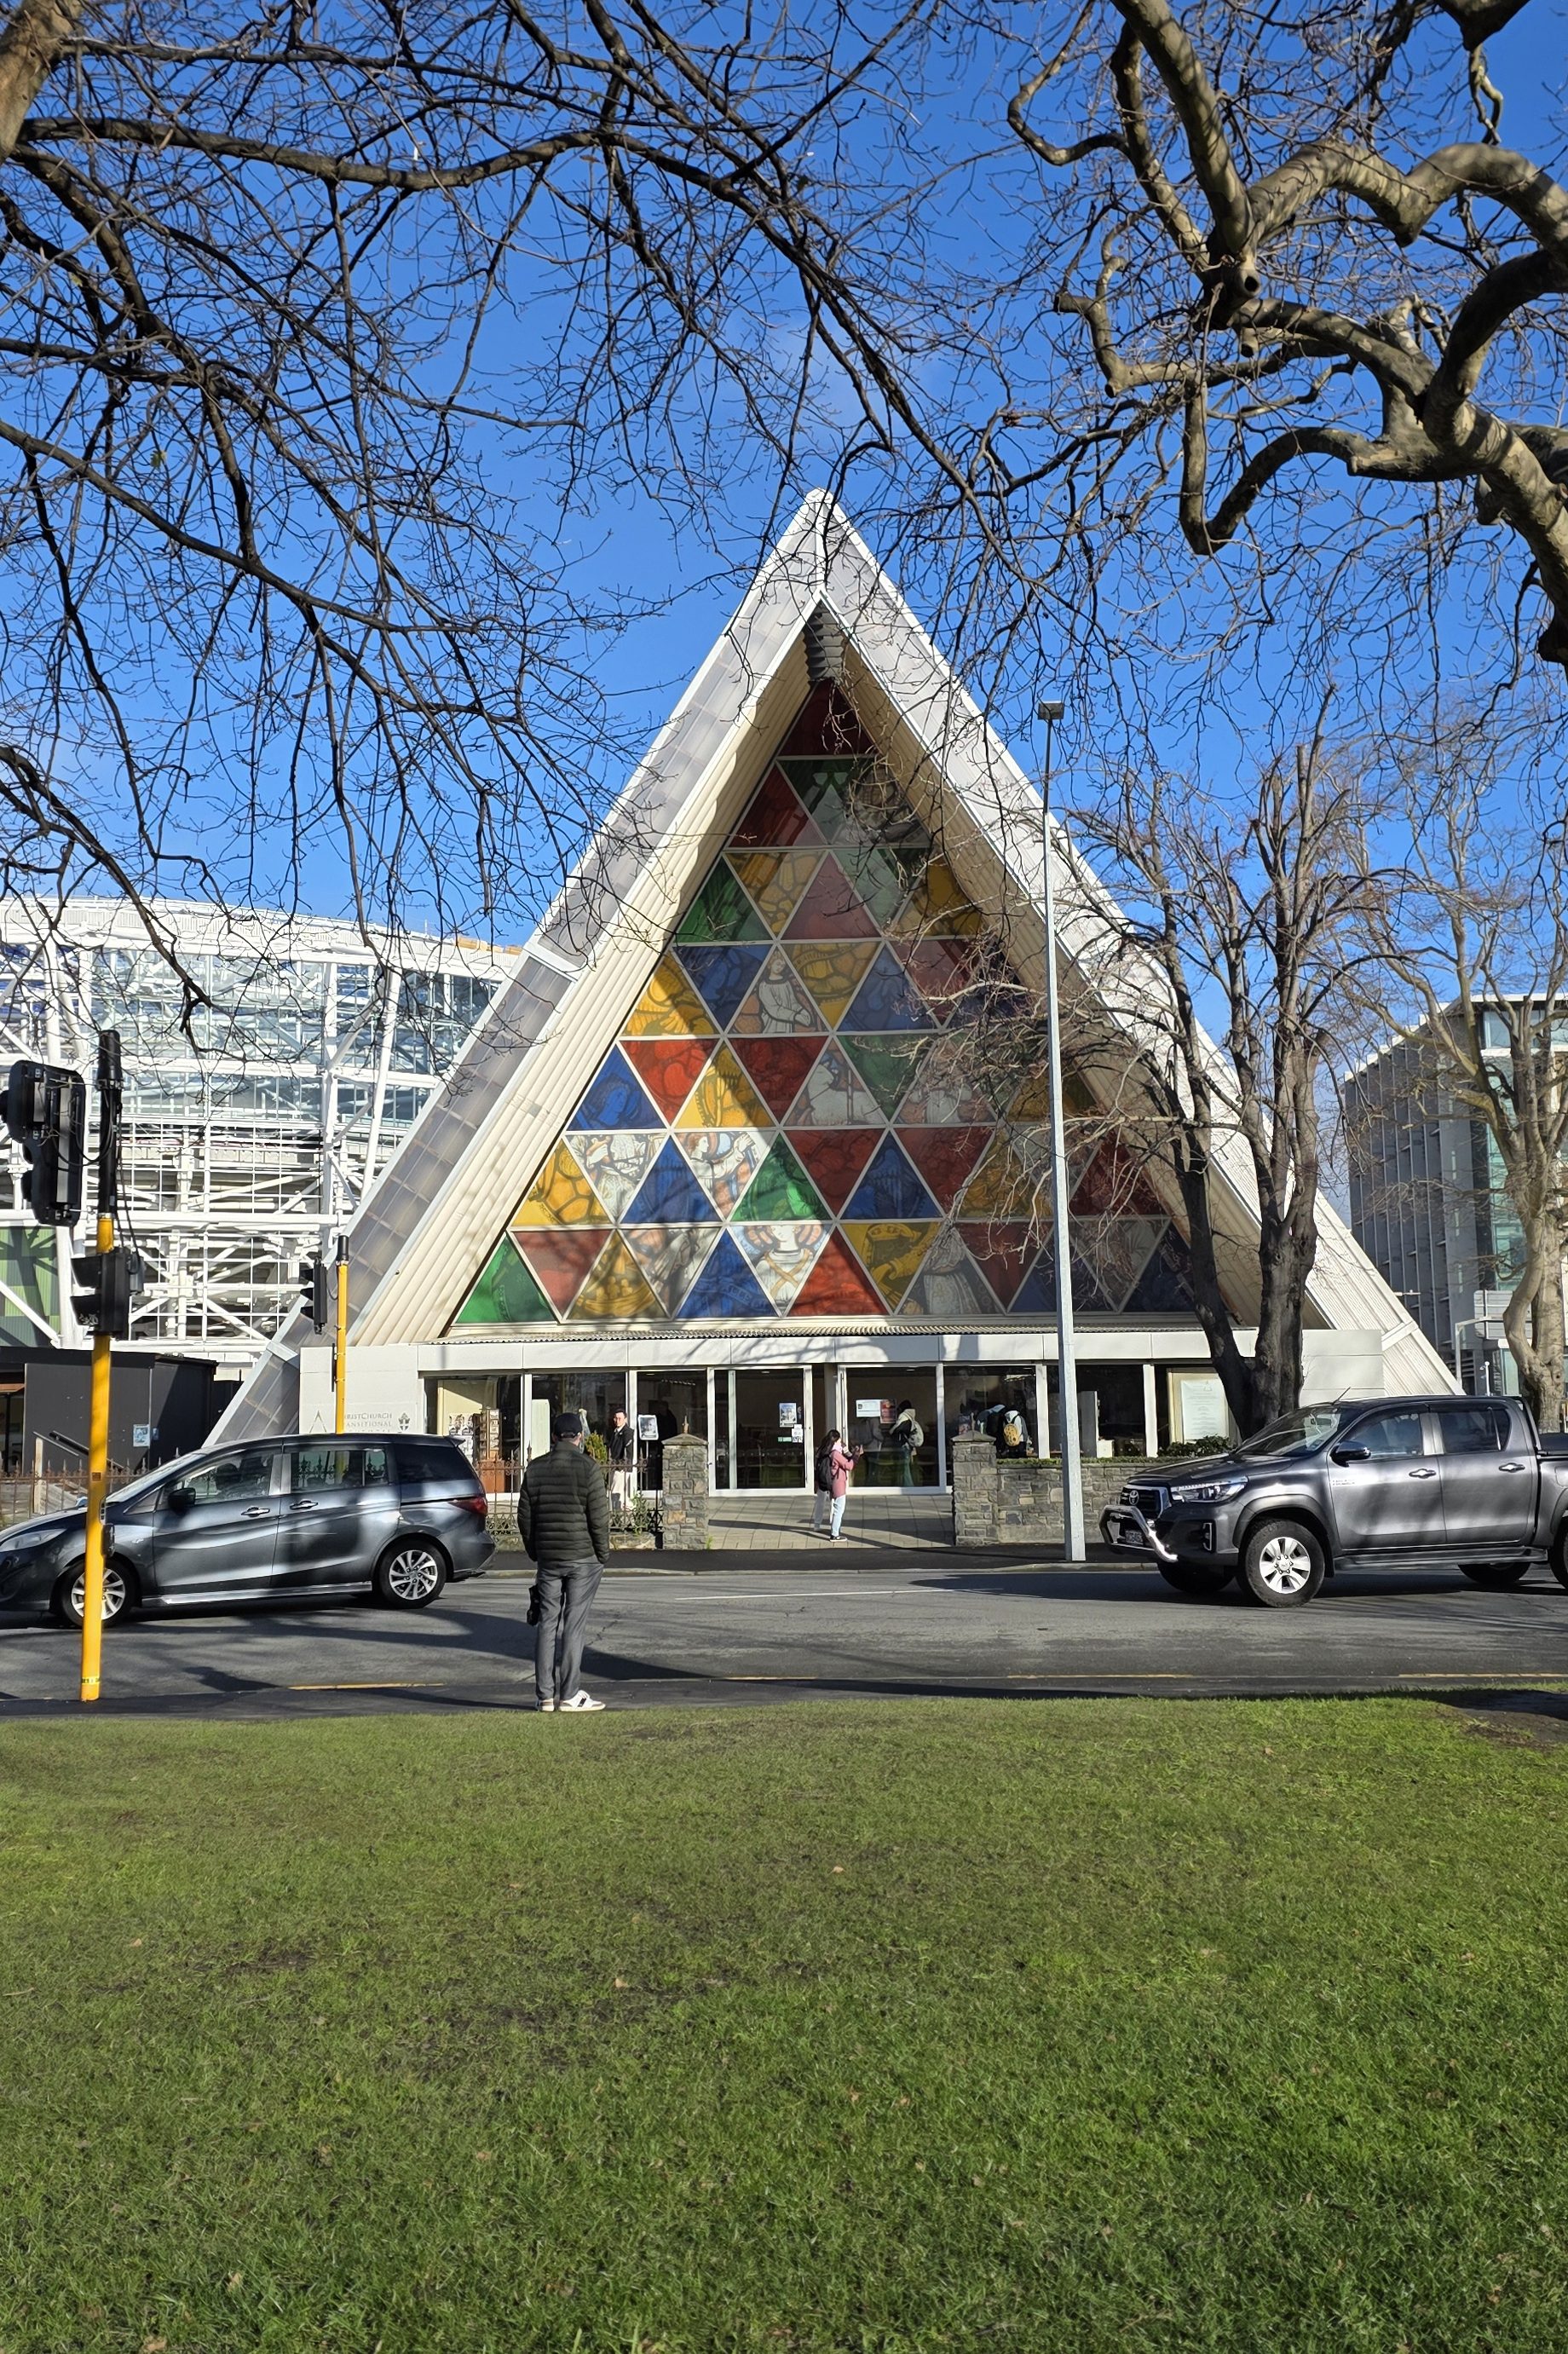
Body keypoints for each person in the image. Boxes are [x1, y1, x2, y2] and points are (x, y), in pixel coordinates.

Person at [517, 1411, 610, 1712]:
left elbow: (524, 1517)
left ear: (554, 1437)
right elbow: (599, 1518)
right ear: (579, 1438)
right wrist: (603, 1554)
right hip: (583, 1557)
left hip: (549, 1558)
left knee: (547, 1623)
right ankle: (570, 1694)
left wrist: (535, 1551)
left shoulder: (535, 1469)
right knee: (574, 1624)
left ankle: (544, 1695)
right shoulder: (589, 1468)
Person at [812, 1428, 858, 1540]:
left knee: (827, 1504)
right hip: (837, 1483)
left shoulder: (825, 1450)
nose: (841, 1442)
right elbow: (848, 1466)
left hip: (827, 1481)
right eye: (839, 1441)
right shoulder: (835, 1453)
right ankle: (835, 1533)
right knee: (838, 1508)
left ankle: (825, 1527)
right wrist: (856, 1455)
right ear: (836, 1441)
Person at [888, 1399, 924, 1486]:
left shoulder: (904, 1416)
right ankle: (908, 1485)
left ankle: (908, 1487)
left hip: (904, 1446)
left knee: (905, 1468)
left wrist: (891, 1430)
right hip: (909, 1446)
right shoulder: (910, 1416)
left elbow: (896, 1429)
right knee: (907, 1467)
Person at [608, 1406, 635, 1509]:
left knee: (616, 1492)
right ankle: (632, 1510)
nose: (617, 1421)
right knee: (620, 1494)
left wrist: (623, 1466)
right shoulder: (615, 1431)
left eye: (620, 1418)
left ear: (625, 1419)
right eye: (616, 1418)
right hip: (615, 1466)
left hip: (621, 1467)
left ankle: (619, 1512)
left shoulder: (627, 1432)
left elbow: (628, 1450)